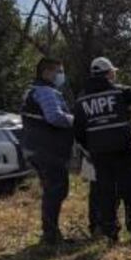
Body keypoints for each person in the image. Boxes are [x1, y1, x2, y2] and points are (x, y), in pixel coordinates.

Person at [73, 57, 131, 246]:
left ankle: (111, 236)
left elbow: (78, 132)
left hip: (99, 155)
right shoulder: (119, 91)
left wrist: (92, 148)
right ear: (108, 73)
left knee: (106, 194)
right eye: (113, 72)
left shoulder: (81, 99)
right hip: (124, 152)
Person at [21, 57, 75, 246]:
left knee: (51, 190)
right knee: (56, 190)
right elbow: (54, 117)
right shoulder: (45, 92)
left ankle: (50, 233)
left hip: (35, 147)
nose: (61, 75)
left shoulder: (32, 90)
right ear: (46, 72)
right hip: (48, 150)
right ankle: (51, 237)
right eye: (58, 71)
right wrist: (75, 121)